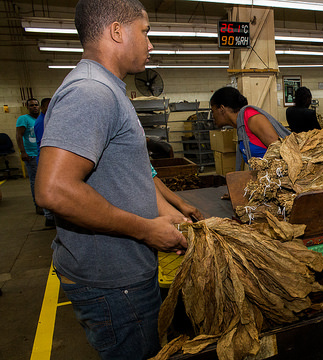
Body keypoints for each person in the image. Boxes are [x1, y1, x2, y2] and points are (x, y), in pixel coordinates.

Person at [35, 1, 188, 358]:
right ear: (117, 31)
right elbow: (53, 190)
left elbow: (127, 173)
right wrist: (147, 230)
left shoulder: (108, 89)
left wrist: (168, 211)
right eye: (146, 32)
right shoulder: (91, 92)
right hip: (114, 285)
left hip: (124, 273)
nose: (151, 44)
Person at [210, 86, 290, 164]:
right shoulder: (241, 127)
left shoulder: (253, 120)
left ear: (221, 108)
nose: (212, 116)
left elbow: (283, 154)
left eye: (213, 111)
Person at [15, 98, 41, 214]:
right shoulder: (23, 119)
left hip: (41, 154)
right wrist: (23, 152)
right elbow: (19, 136)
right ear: (27, 107)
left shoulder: (41, 118)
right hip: (31, 154)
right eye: (31, 105)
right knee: (35, 181)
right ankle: (38, 205)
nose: (34, 107)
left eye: (36, 105)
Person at [33, 97, 55, 227]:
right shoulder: (42, 122)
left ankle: (50, 216)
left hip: (45, 158)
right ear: (42, 108)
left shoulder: (45, 119)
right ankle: (49, 217)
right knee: (46, 187)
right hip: (44, 158)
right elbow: (45, 143)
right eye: (47, 106)